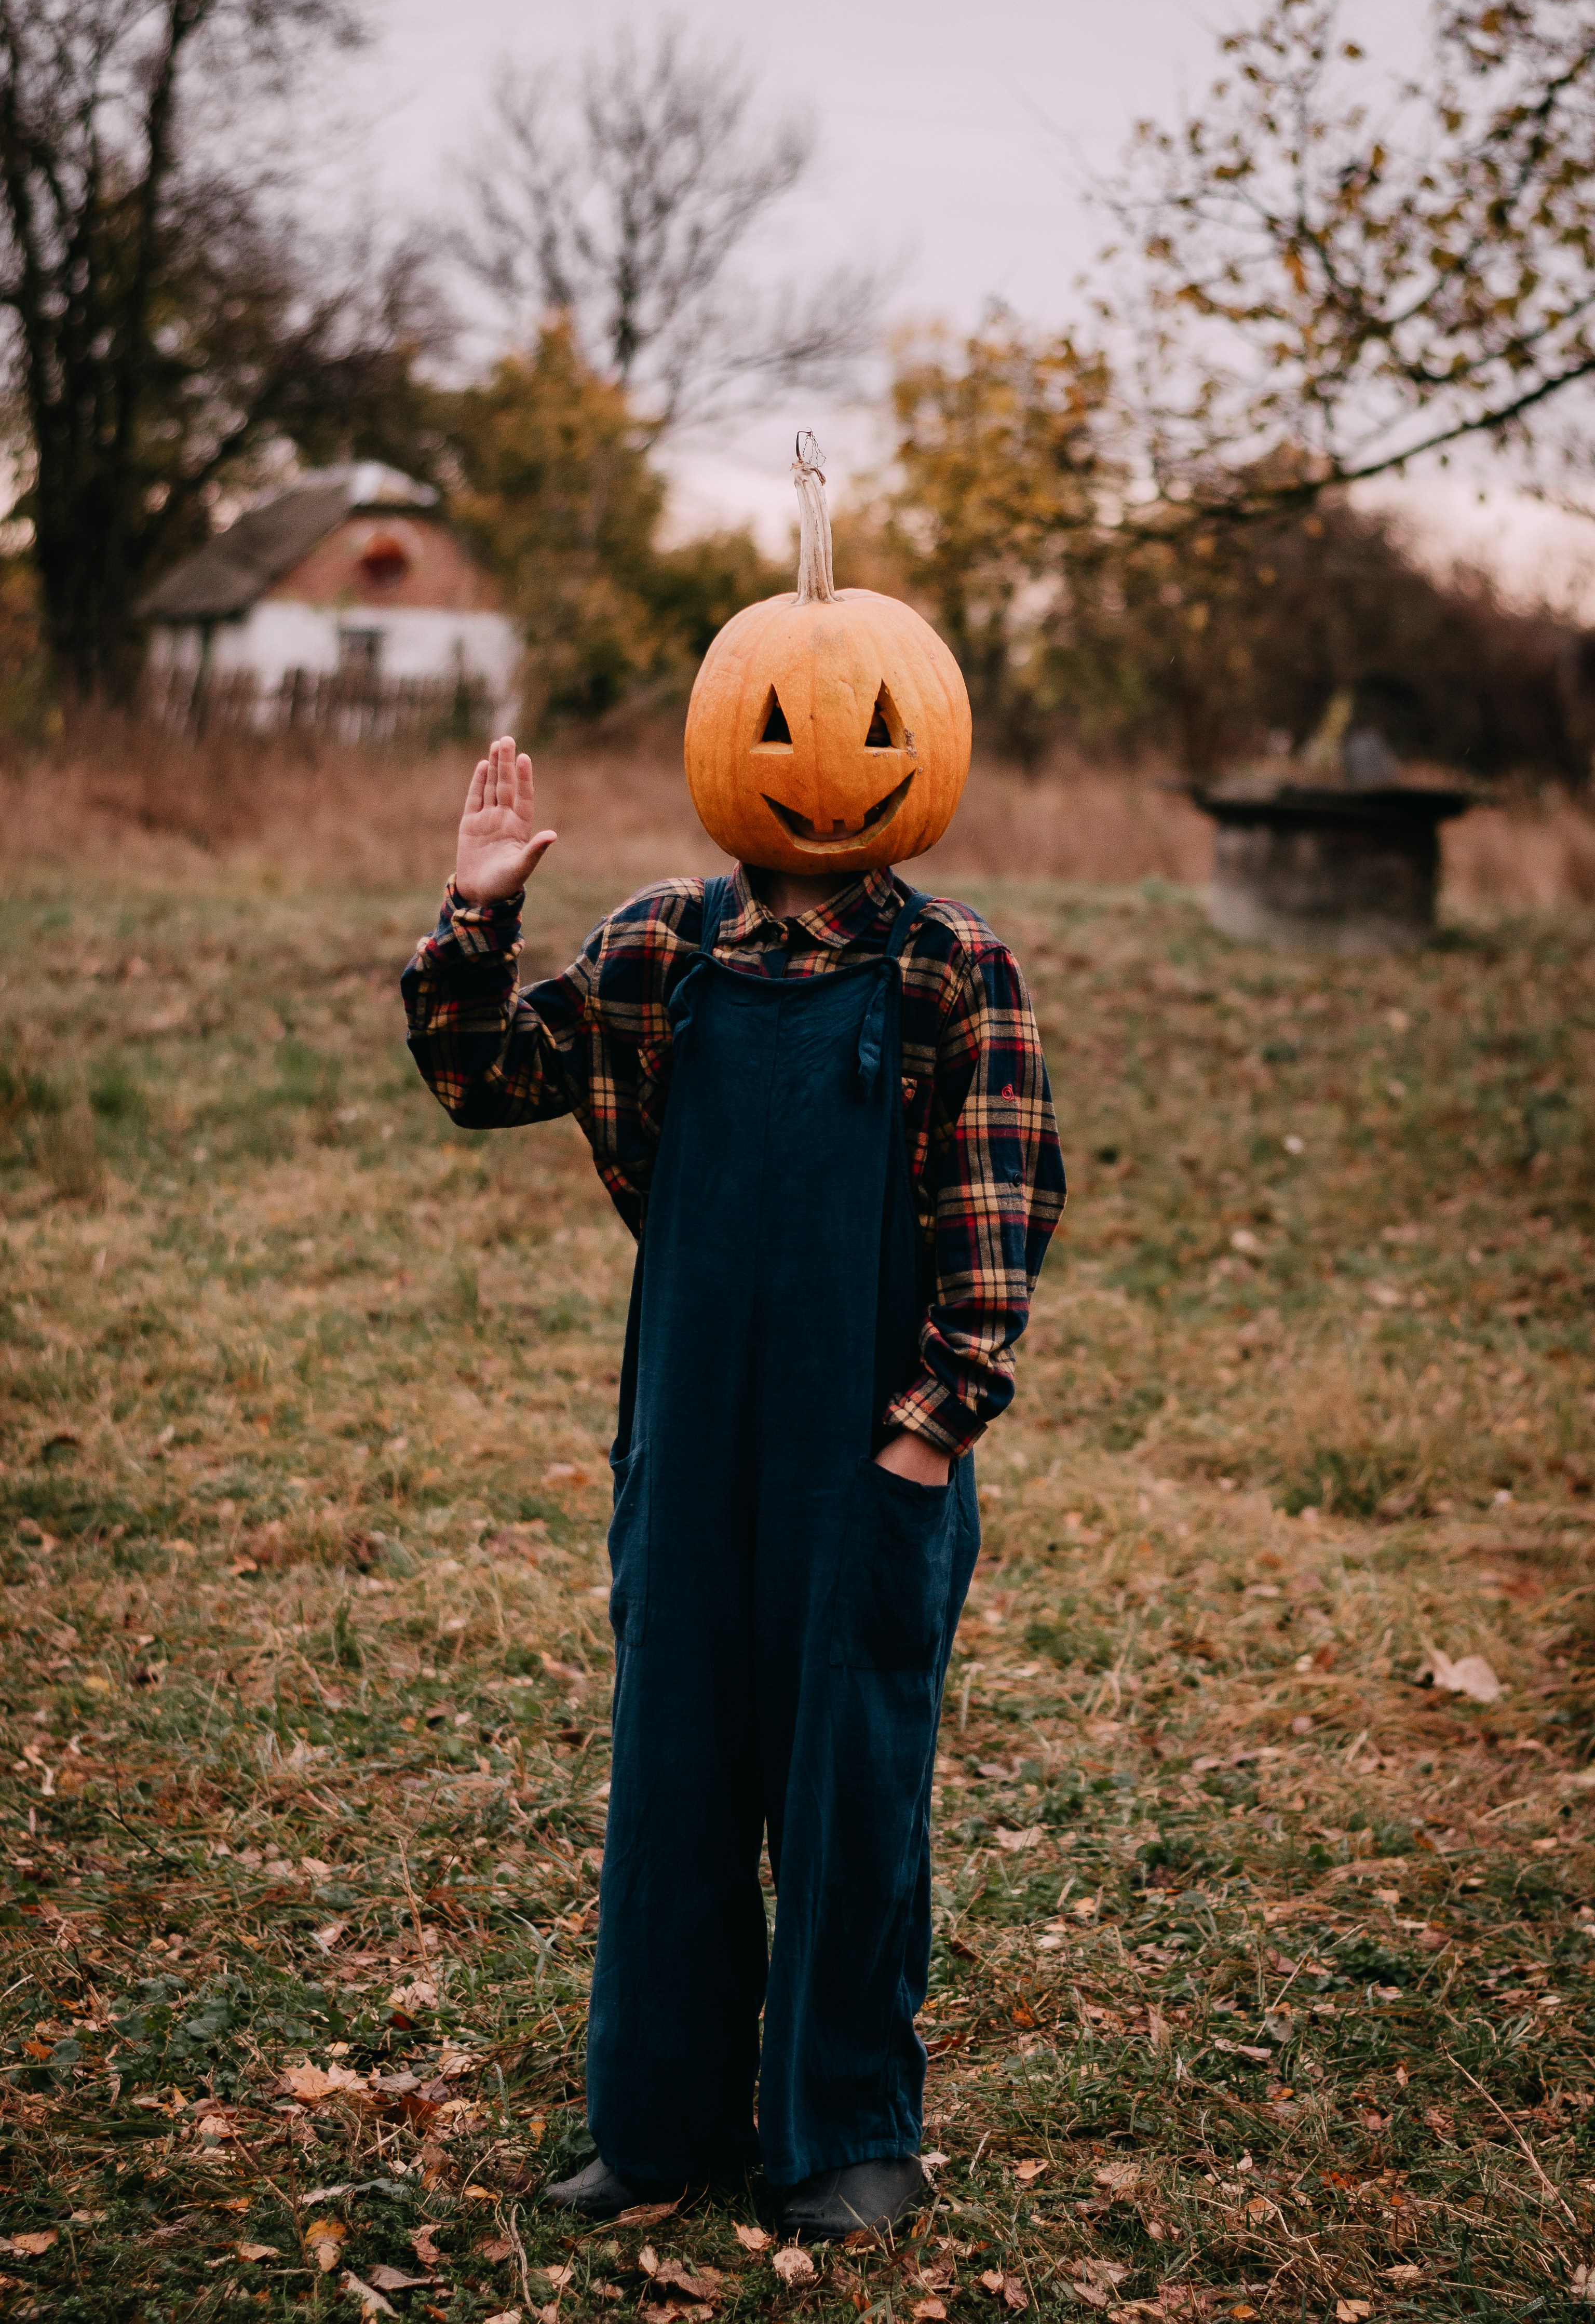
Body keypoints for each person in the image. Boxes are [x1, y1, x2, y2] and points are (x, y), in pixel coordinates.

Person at [402, 458, 1064, 2243]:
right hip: (689, 1439)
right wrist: (477, 911)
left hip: (870, 1448)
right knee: (678, 1770)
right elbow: (480, 1076)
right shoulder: (656, 951)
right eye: (773, 724)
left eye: (850, 726)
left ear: (920, 745)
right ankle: (662, 2122)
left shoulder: (950, 971)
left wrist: (927, 1432)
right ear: (724, 743)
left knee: (850, 1786)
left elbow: (1000, 1220)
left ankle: (846, 2129)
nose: (811, 757)